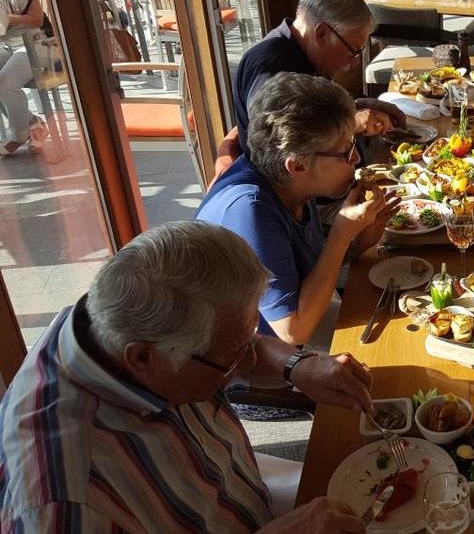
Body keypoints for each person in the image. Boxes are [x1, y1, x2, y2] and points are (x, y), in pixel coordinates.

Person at [0, 220, 372, 532]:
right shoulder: (63, 505)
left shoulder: (112, 320)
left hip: (242, 495)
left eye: (247, 343)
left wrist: (297, 365)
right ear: (144, 358)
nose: (248, 361)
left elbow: (239, 345)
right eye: (232, 356)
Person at [197, 72, 401, 347]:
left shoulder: (292, 185)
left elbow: (309, 269)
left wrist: (357, 241)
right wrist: (341, 233)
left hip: (309, 317)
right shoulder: (250, 210)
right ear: (297, 165)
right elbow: (294, 332)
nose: (356, 159)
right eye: (345, 151)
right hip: (259, 362)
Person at [230, 0, 404, 158]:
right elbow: (276, 141)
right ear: (322, 33)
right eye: (354, 50)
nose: (356, 62)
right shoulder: (270, 65)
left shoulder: (306, 53)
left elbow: (309, 111)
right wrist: (350, 122)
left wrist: (356, 106)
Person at [0, 0, 48, 156]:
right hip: (7, 43)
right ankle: (32, 124)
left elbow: (37, 19)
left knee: (3, 82)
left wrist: (5, 18)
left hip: (38, 43)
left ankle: (19, 133)